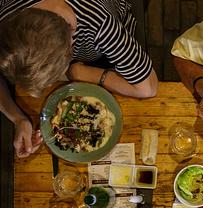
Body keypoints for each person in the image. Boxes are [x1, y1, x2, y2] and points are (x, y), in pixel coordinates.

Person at [0, 0, 158, 158]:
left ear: (71, 46)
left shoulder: (100, 22)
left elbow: (148, 87)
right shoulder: (6, 23)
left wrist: (81, 73)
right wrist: (18, 118)